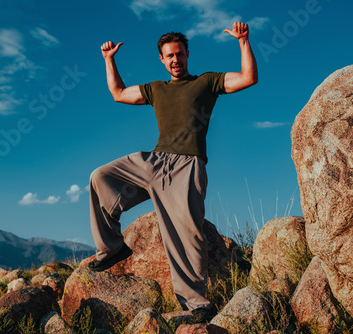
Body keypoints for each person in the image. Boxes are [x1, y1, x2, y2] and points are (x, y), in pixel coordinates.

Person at [88, 22, 258, 322]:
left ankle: (196, 306)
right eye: (169, 56)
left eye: (179, 54)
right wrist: (109, 60)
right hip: (154, 162)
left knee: (186, 235)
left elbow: (248, 78)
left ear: (187, 54)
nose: (175, 60)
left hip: (187, 166)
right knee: (101, 176)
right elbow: (117, 93)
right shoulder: (156, 89)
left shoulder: (207, 82)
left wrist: (243, 42)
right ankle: (111, 248)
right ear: (162, 59)